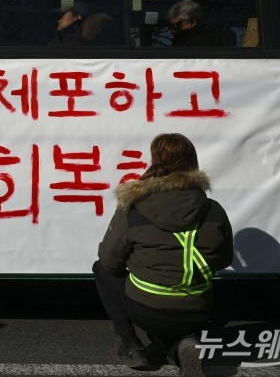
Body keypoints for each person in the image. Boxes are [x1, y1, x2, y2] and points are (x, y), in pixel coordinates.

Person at [92, 133, 233, 376]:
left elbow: (110, 261)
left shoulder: (133, 208)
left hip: (145, 308)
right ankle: (184, 344)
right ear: (192, 162)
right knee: (178, 314)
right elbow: (225, 259)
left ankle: (132, 344)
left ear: (155, 160)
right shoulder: (213, 209)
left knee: (101, 268)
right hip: (198, 309)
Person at [50, 2, 115, 46]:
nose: (59, 20)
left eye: (63, 16)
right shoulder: (63, 37)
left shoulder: (79, 40)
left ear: (78, 17)